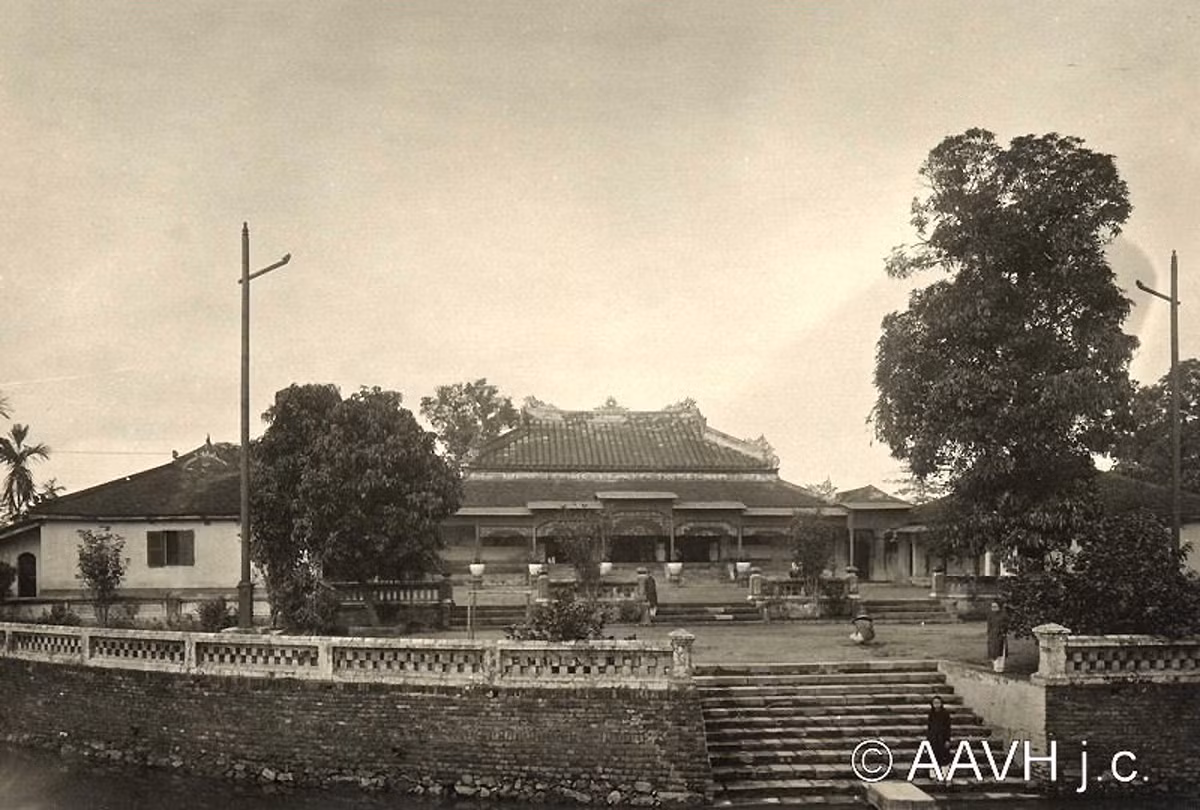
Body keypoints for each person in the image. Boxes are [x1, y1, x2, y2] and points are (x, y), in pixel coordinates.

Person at [925, 696, 953, 769]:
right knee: (932, 756)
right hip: (933, 738)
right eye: (935, 703)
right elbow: (929, 727)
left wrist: (947, 739)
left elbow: (948, 727)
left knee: (943, 756)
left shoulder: (945, 714)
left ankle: (944, 773)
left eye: (938, 703)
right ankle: (933, 774)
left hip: (942, 738)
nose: (936, 705)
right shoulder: (931, 714)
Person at [987, 600, 1009, 673]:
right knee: (993, 650)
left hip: (1000, 635)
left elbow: (1006, 625)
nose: (993, 608)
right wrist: (989, 633)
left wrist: (1003, 632)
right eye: (992, 607)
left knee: (1000, 650)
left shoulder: (1004, 615)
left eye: (995, 607)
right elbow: (989, 625)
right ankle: (995, 667)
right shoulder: (991, 615)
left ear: (999, 607)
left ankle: (1000, 668)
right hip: (992, 635)